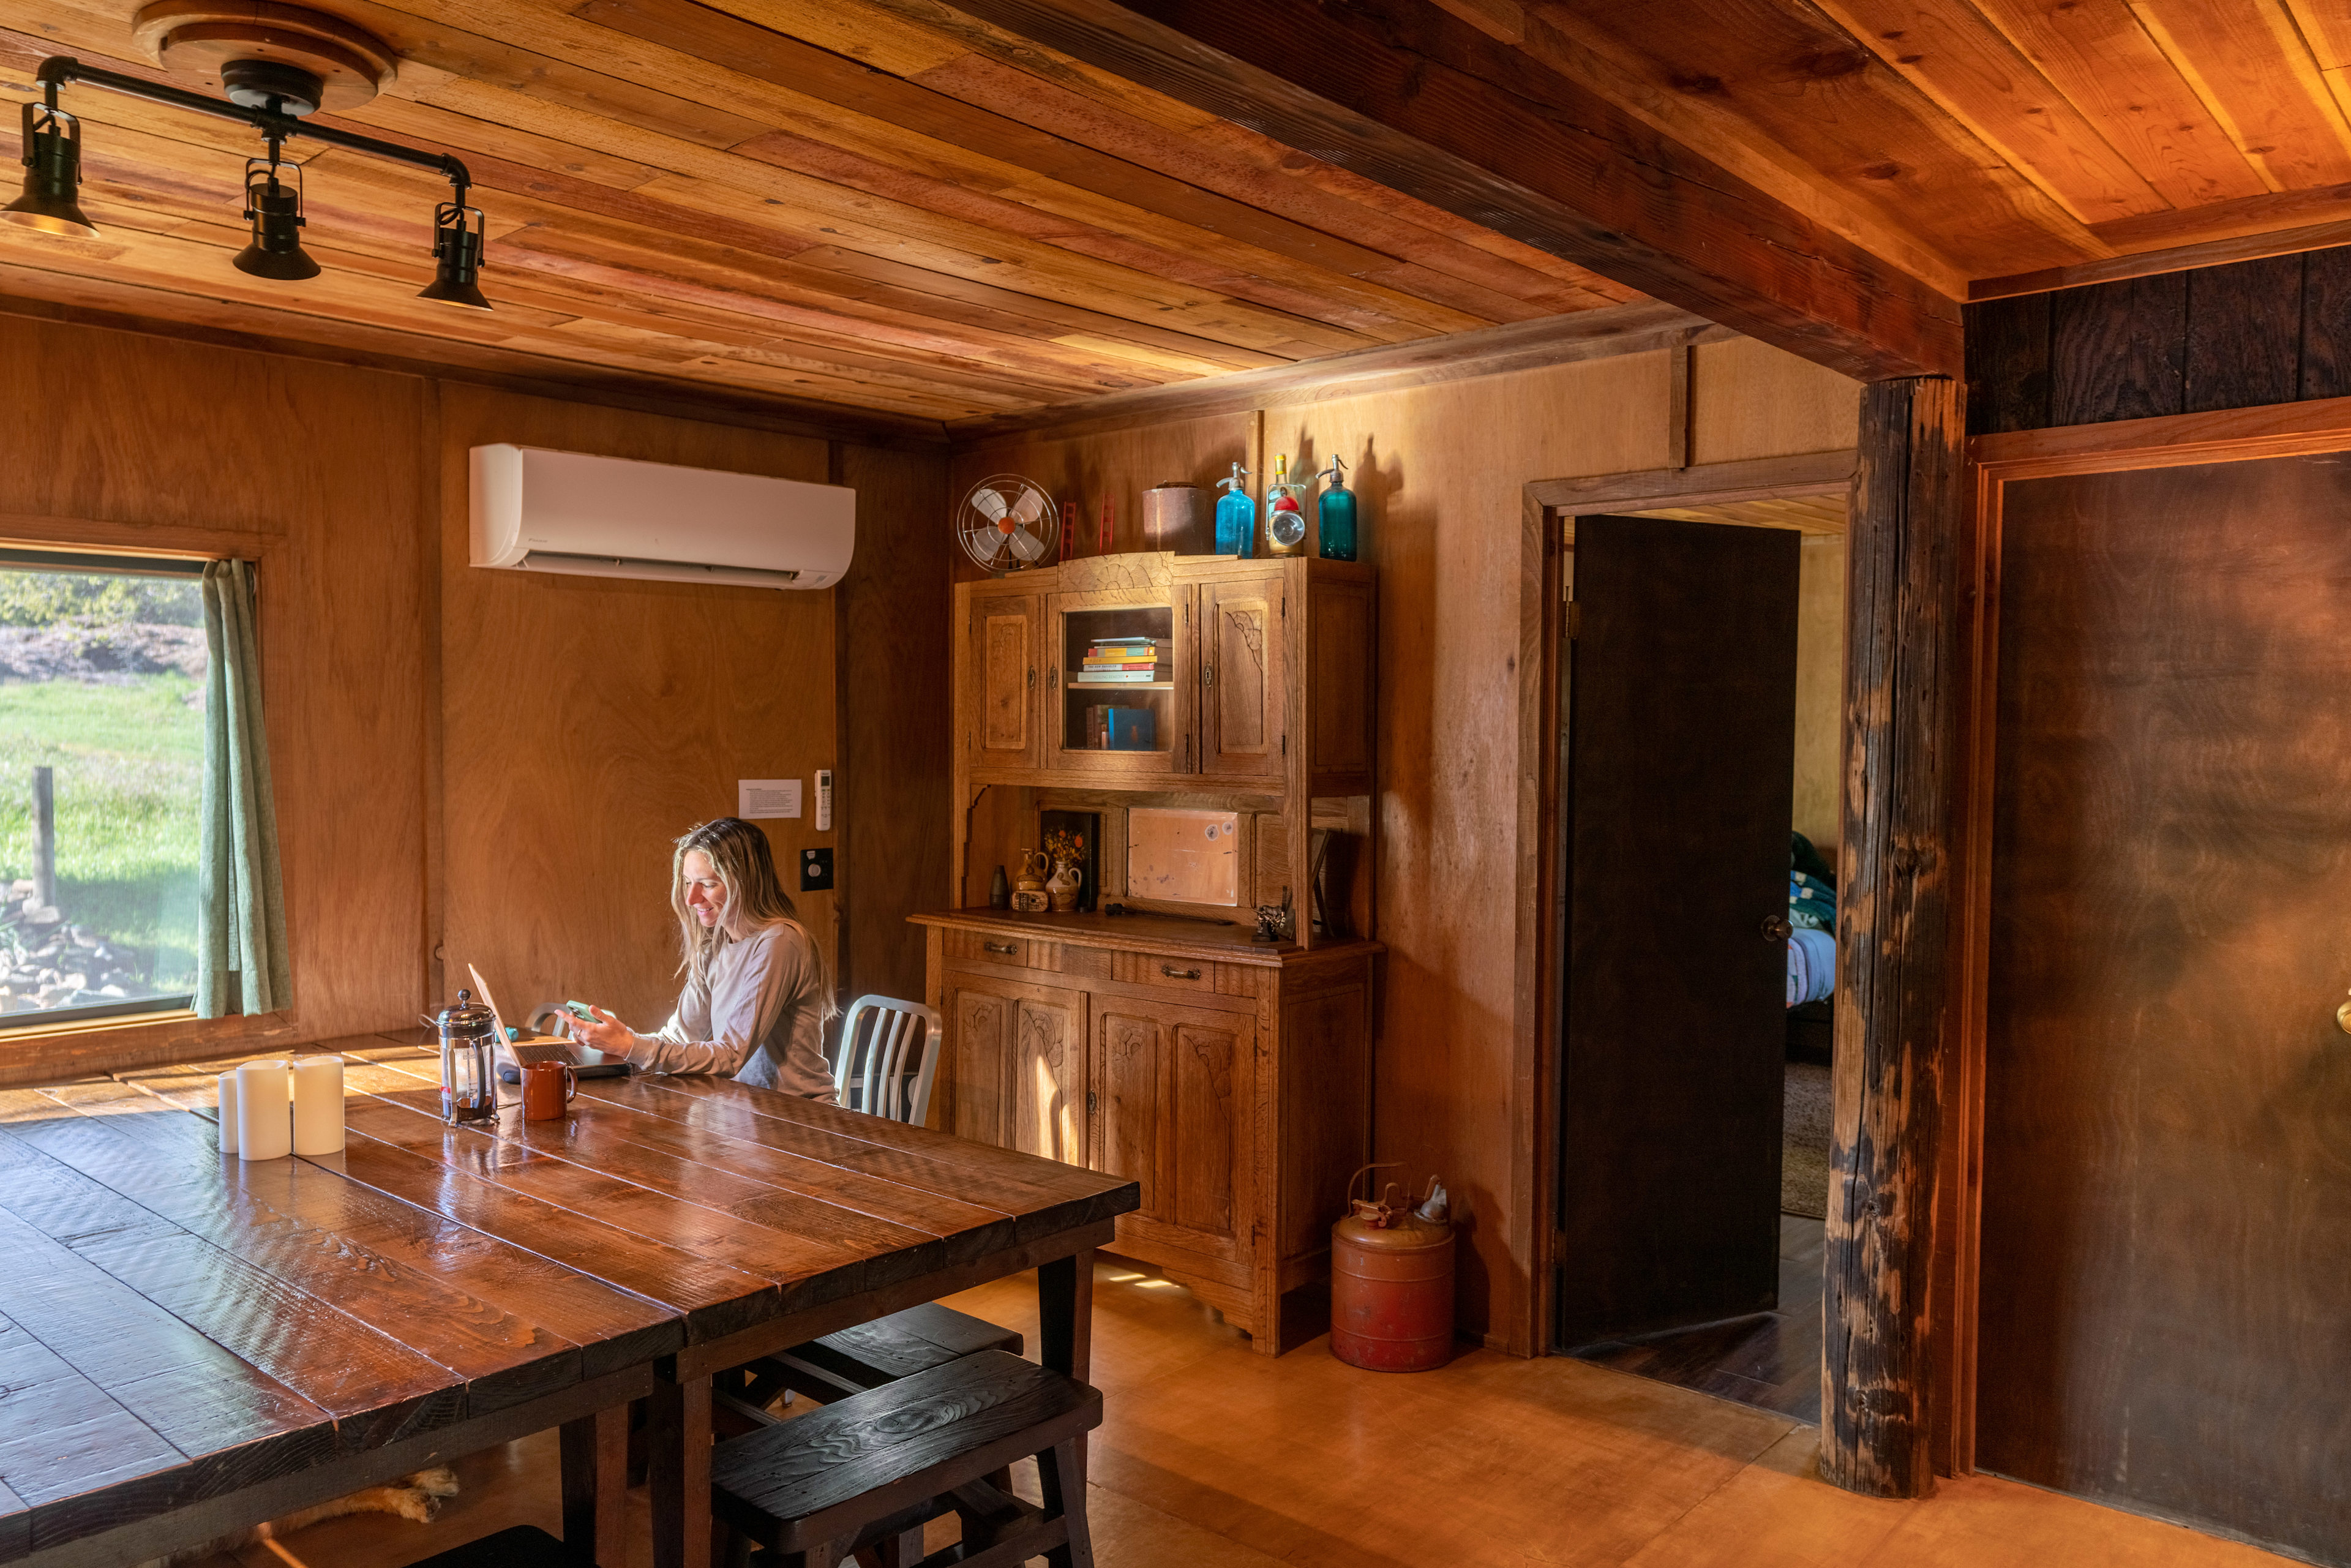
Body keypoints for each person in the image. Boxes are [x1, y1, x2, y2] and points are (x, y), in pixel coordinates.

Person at [569, 817, 837, 1100]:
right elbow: (680, 1037)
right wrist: (620, 1040)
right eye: (687, 883)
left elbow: (732, 1054)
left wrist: (631, 1047)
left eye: (707, 884)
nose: (691, 898)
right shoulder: (715, 942)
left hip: (801, 1115)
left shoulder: (780, 942)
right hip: (748, 1109)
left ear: (744, 883)